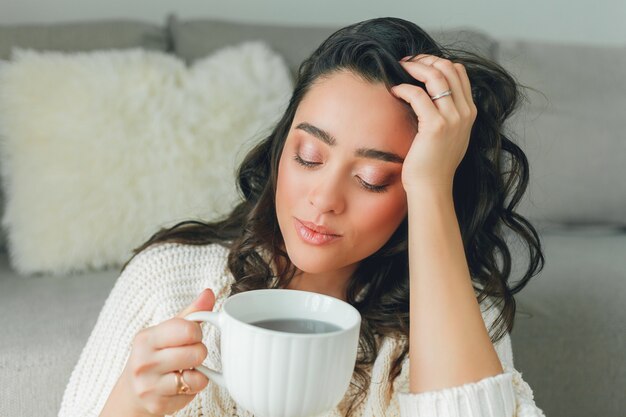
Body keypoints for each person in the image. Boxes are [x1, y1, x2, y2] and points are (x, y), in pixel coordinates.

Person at [58, 16, 547, 417]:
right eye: (309, 156)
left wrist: (431, 186)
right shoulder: (168, 281)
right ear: (279, 147)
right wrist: (130, 405)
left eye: (374, 178)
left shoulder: (457, 311)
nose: (324, 198)